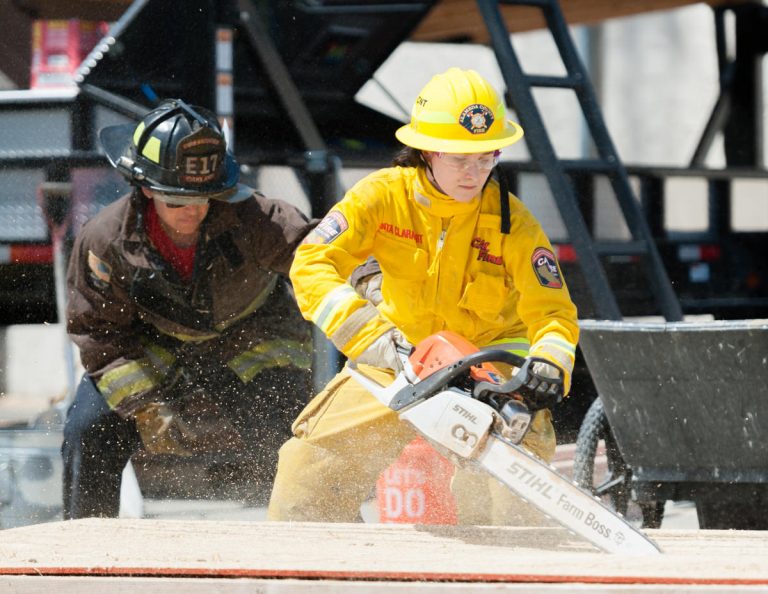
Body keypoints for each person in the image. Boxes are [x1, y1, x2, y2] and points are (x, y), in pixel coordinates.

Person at [267, 68, 579, 524]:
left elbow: (553, 312)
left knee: (507, 499)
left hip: (483, 372)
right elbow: (312, 262)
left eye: (486, 157)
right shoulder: (382, 196)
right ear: (427, 151)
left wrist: (549, 363)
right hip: (395, 361)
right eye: (459, 159)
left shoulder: (514, 224)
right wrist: (373, 339)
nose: (475, 173)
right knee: (308, 475)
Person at [62, 98, 316, 519]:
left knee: (291, 432)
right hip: (149, 344)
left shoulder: (255, 217)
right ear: (145, 188)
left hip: (251, 335)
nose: (193, 212)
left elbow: (322, 256)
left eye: (205, 197)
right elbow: (99, 332)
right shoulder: (104, 239)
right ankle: (84, 547)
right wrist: (143, 402)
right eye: (176, 200)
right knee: (87, 429)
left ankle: (316, 537)